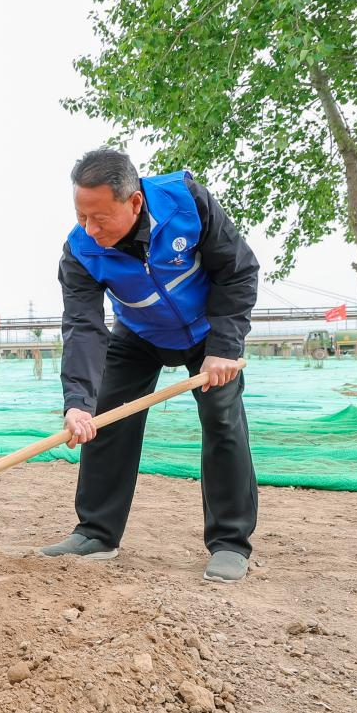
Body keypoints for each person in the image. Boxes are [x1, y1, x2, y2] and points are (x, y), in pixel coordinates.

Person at [38, 148, 259, 583]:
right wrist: (78, 403)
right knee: (103, 416)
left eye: (100, 217)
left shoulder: (187, 203)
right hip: (139, 333)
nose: (90, 228)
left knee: (223, 421)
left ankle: (230, 543)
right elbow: (82, 327)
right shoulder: (80, 249)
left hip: (205, 335)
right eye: (82, 215)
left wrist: (225, 346)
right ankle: (97, 534)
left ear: (134, 201)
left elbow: (238, 271)